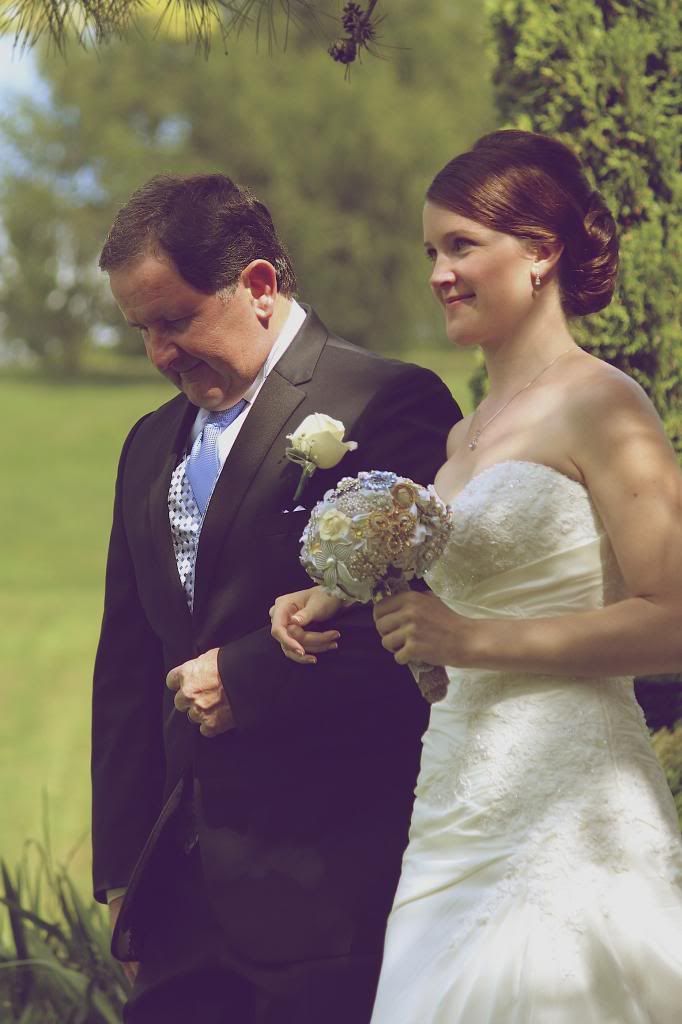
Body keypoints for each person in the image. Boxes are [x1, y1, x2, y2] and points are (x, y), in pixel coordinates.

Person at [270, 130, 682, 1023]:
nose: (439, 273)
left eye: (461, 245)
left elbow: (673, 622)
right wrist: (333, 586)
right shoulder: (466, 434)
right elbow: (469, 559)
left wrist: (472, 640)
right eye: (431, 251)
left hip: (570, 811)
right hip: (454, 798)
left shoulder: (604, 403)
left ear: (541, 253)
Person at [91, 173, 462, 1024]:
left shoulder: (386, 402)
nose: (159, 354)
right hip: (179, 906)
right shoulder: (147, 444)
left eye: (175, 320)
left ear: (258, 286)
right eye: (142, 330)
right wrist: (123, 874)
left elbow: (426, 626)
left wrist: (249, 679)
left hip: (331, 892)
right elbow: (127, 667)